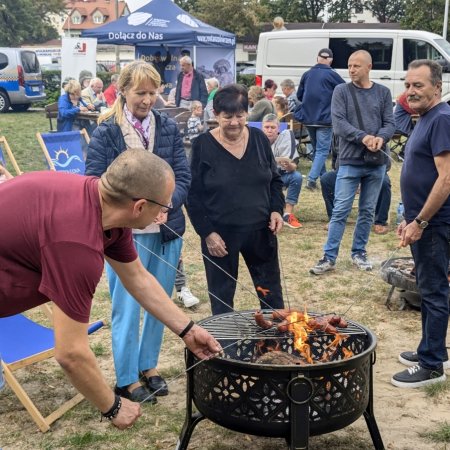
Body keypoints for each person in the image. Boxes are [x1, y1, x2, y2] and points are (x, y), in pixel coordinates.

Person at [0, 149, 221, 429]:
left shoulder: (103, 208)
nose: (165, 213)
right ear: (140, 206)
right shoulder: (77, 245)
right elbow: (70, 353)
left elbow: (137, 278)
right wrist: (112, 405)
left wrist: (188, 330)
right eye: (164, 206)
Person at [86, 61, 191, 403]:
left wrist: (165, 205)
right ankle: (127, 377)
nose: (147, 100)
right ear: (123, 91)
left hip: (166, 229)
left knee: (159, 300)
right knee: (127, 306)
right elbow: (92, 181)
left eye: (153, 92)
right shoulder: (107, 131)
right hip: (125, 234)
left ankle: (149, 366)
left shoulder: (168, 127)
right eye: (140, 92)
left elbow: (182, 175)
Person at [187, 84, 285, 315]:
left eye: (240, 116)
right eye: (227, 116)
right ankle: (224, 348)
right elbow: (192, 195)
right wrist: (207, 233)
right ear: (216, 115)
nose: (234, 122)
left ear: (247, 113)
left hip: (262, 232)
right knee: (222, 299)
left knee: (271, 296)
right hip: (220, 237)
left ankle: (275, 345)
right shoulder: (202, 145)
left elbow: (274, 181)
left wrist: (276, 210)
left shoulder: (260, 139)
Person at [310, 50, 395, 275]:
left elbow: (390, 122)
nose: (351, 69)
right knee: (340, 210)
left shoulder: (384, 92)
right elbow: (338, 123)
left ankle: (359, 252)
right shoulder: (341, 91)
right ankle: (329, 256)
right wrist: (363, 137)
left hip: (375, 162)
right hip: (349, 160)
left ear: (369, 67)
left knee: (367, 211)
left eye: (356, 65)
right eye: (349, 65)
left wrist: (381, 138)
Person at [392, 59, 450, 388]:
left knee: (433, 290)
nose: (410, 91)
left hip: (435, 224)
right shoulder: (425, 118)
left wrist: (421, 222)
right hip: (421, 221)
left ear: (437, 88)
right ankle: (431, 349)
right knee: (429, 289)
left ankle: (431, 366)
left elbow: (446, 179)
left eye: (418, 85)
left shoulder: (441, 119)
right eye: (408, 85)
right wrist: (408, 218)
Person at [295, 48, 345, 190]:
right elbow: (345, 92)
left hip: (308, 118)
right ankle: (311, 180)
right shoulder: (332, 74)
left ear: (317, 58)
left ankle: (323, 178)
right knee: (322, 151)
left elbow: (299, 96)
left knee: (318, 150)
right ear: (330, 60)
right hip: (325, 119)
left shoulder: (307, 74)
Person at [262, 113, 303, 229]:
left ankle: (287, 214)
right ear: (262, 128)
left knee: (296, 176)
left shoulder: (284, 138)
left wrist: (288, 165)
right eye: (267, 127)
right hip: (263, 180)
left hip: (280, 177)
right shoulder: (256, 140)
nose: (270, 130)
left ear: (278, 129)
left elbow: (294, 167)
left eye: (273, 127)